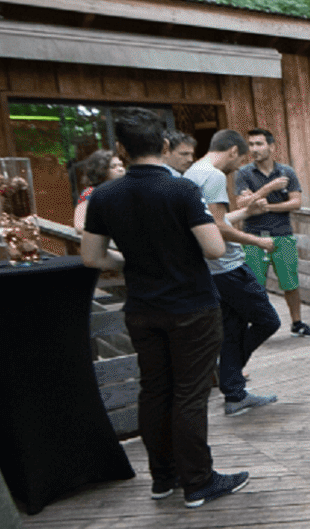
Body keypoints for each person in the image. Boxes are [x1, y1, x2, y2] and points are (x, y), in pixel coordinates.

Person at [79, 108, 249, 508]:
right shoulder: (182, 190)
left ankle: (163, 478)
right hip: (191, 305)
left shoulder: (104, 195)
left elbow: (92, 257)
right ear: (165, 144)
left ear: (121, 147)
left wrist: (131, 262)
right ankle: (199, 481)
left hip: (141, 307)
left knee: (154, 391)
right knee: (190, 394)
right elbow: (214, 247)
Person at [182, 129, 283, 417]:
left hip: (210, 270)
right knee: (268, 321)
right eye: (240, 160)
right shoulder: (213, 176)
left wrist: (246, 212)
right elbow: (219, 228)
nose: (239, 167)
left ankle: (235, 394)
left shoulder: (192, 172)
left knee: (233, 329)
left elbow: (212, 220)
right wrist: (258, 241)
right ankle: (229, 374)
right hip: (228, 267)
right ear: (232, 152)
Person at [235, 128, 310, 338]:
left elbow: (296, 202)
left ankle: (297, 324)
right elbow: (242, 203)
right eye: (251, 144)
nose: (254, 149)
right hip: (253, 236)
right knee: (255, 285)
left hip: (283, 234)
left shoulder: (286, 172)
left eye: (259, 144)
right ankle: (258, 325)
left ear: (271, 147)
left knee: (290, 283)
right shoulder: (244, 173)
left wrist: (267, 207)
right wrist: (269, 188)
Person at [72, 149, 125, 233]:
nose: (120, 169)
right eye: (113, 167)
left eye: (121, 165)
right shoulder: (90, 193)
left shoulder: (123, 191)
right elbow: (79, 225)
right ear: (101, 170)